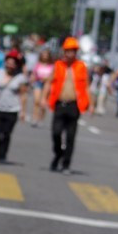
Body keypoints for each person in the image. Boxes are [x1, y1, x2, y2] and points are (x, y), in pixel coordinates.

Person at [42, 37, 92, 173]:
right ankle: (58, 153)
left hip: (74, 105)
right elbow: (48, 82)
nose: (70, 54)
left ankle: (66, 164)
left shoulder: (81, 66)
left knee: (70, 136)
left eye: (73, 51)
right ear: (64, 52)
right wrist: (43, 98)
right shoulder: (58, 65)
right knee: (56, 133)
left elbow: (86, 86)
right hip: (59, 104)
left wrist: (91, 104)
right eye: (68, 51)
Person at [0, 54, 28, 162]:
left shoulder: (20, 78)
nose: (9, 65)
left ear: (16, 65)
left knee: (6, 133)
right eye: (8, 62)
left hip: (12, 110)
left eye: (12, 63)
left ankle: (2, 155)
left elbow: (23, 95)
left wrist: (23, 111)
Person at [29, 47, 54, 126]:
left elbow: (53, 76)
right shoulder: (38, 64)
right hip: (38, 82)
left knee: (43, 103)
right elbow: (33, 74)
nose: (45, 56)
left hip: (47, 84)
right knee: (36, 101)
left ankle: (41, 118)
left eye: (46, 55)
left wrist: (46, 78)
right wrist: (32, 78)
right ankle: (34, 118)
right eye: (43, 54)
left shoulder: (51, 66)